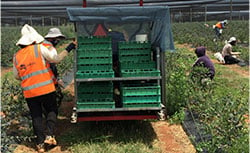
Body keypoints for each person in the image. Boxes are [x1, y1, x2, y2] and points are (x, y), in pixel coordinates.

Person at [13, 24, 76, 153]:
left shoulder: (16, 56)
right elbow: (55, 59)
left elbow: (17, 76)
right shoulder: (39, 49)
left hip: (29, 92)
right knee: (51, 110)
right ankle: (50, 136)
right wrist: (69, 47)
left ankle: (40, 144)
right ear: (34, 39)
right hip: (46, 88)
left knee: (36, 116)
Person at [43, 28, 73, 108]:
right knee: (56, 97)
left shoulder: (42, 45)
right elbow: (54, 61)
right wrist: (69, 48)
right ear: (51, 38)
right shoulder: (49, 47)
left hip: (43, 77)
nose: (58, 41)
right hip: (47, 79)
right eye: (57, 39)